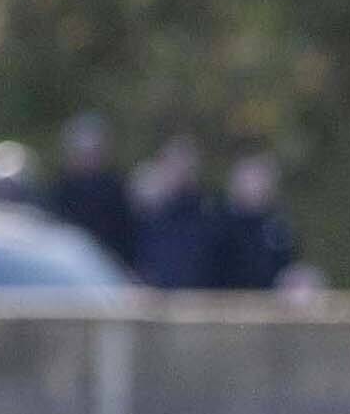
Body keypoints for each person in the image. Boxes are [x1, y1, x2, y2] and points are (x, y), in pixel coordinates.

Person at [44, 113, 137, 274]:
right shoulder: (58, 192)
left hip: (109, 272)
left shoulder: (117, 190)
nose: (89, 158)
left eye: (94, 150)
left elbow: (128, 237)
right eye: (83, 151)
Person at [131, 137, 219, 292]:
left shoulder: (207, 214)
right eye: (172, 165)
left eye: (184, 164)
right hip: (151, 298)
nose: (179, 171)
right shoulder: (149, 214)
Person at [209, 152, 301, 293]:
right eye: (250, 177)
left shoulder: (277, 225)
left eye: (260, 176)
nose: (255, 183)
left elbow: (286, 267)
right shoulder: (218, 222)